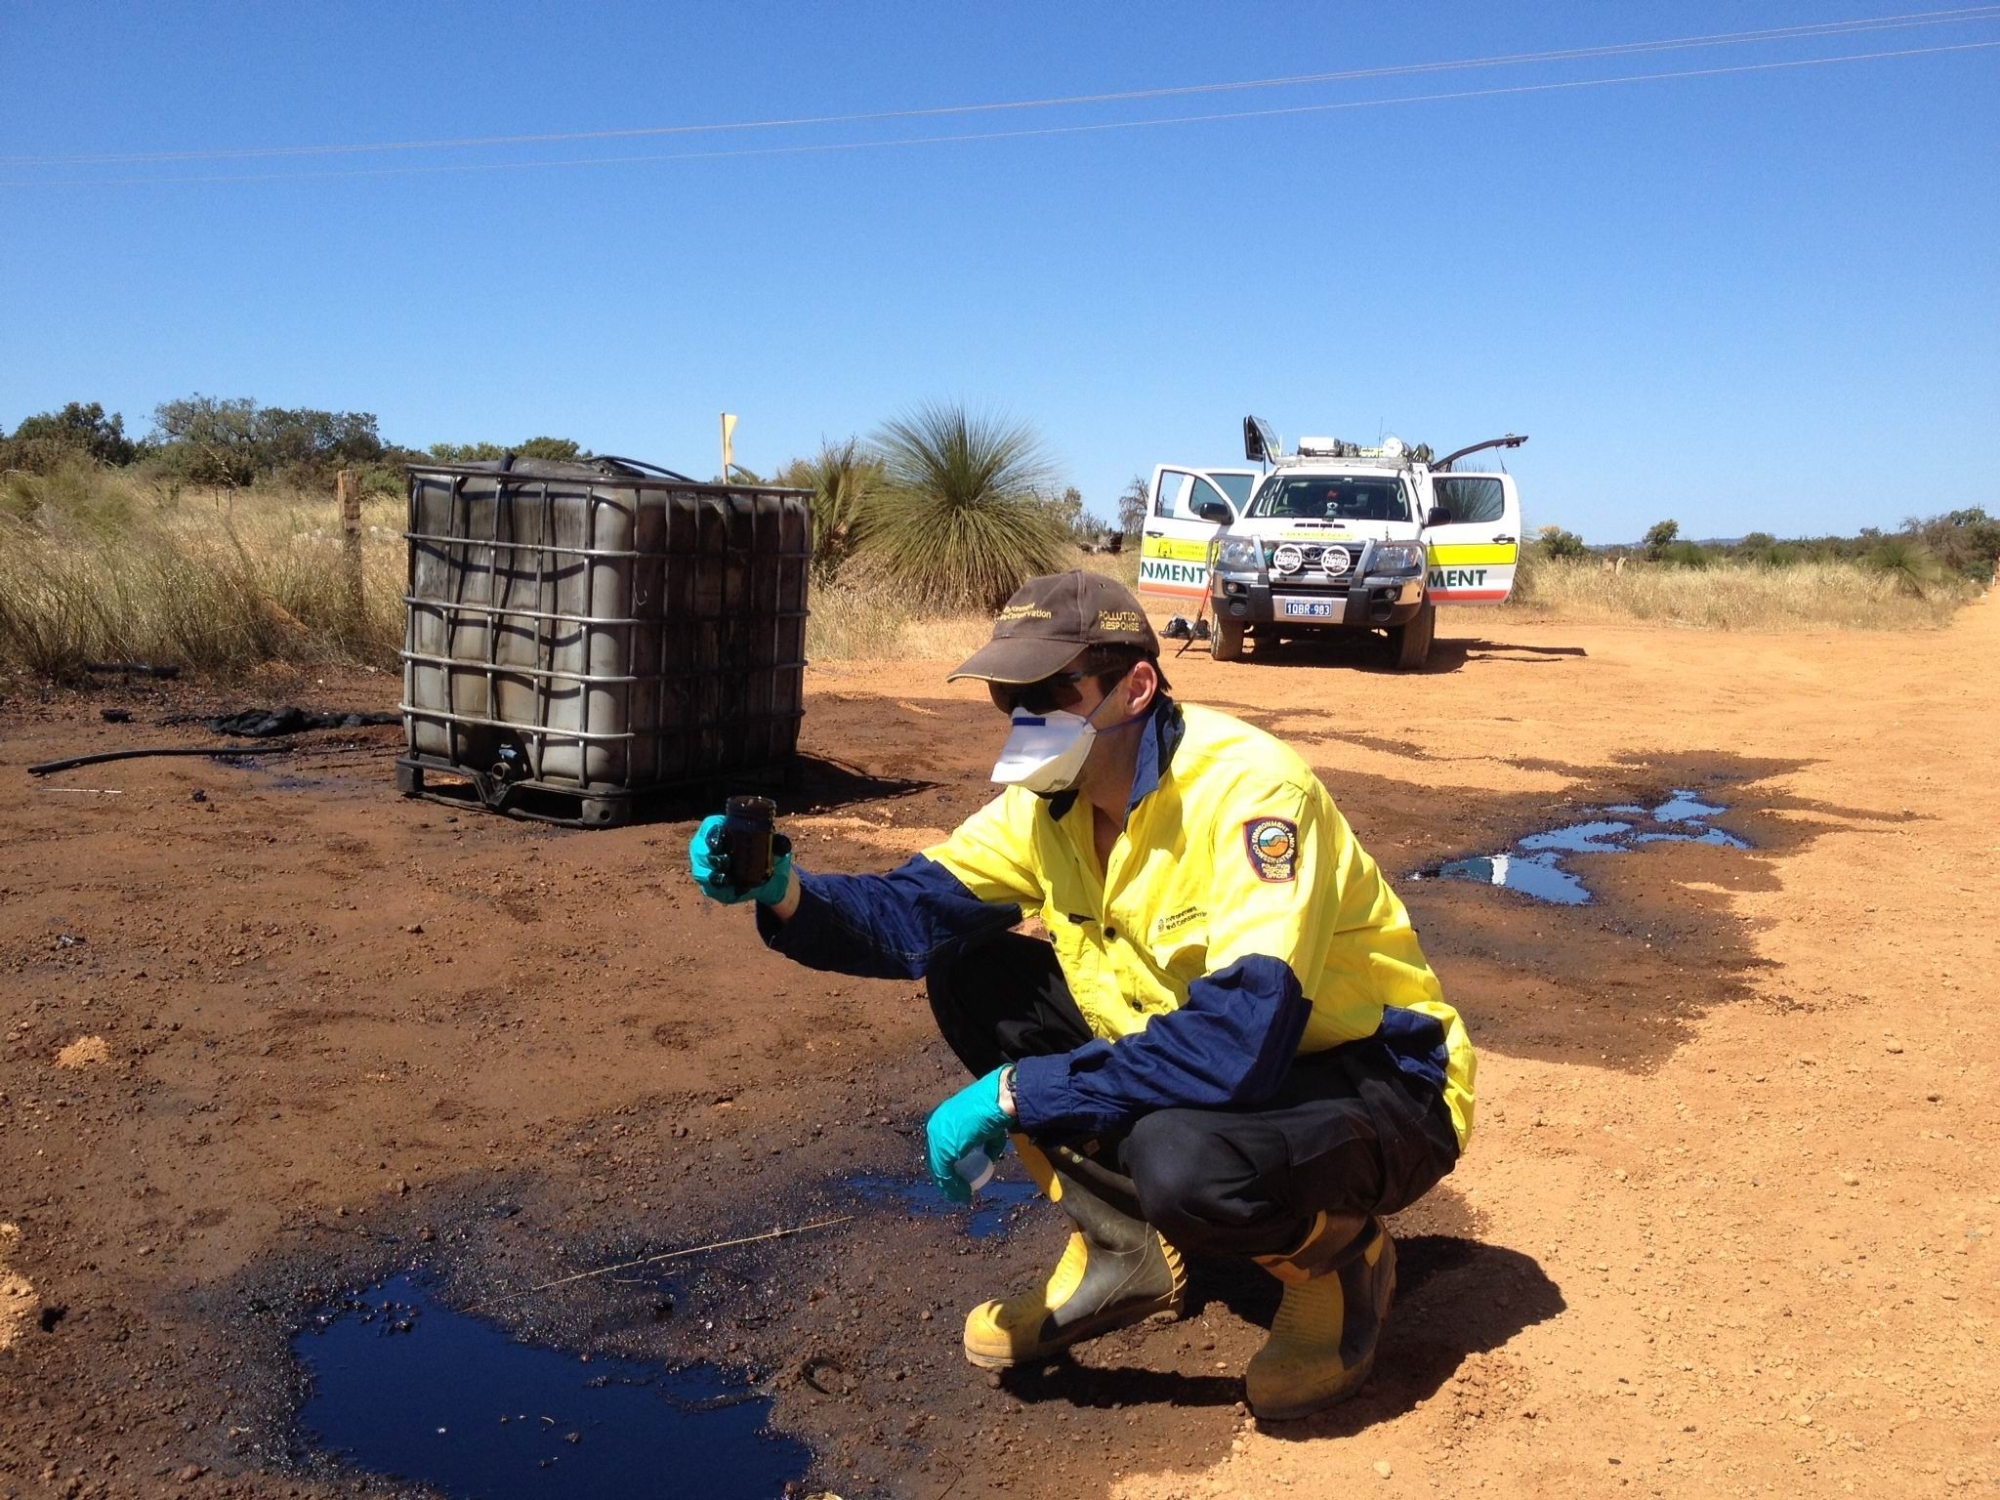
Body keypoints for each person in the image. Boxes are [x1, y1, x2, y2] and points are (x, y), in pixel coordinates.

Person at [687, 570, 1474, 1421]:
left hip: (1379, 1079)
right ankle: (1122, 1246)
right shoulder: (1047, 807)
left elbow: (1243, 1038)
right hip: (1226, 1058)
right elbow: (912, 913)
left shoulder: (1251, 794)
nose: (1027, 718)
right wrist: (785, 892)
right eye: (1009, 696)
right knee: (972, 972)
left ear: (1136, 686)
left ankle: (1342, 1260)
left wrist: (1023, 1092)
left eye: (1050, 692)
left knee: (1186, 1159)